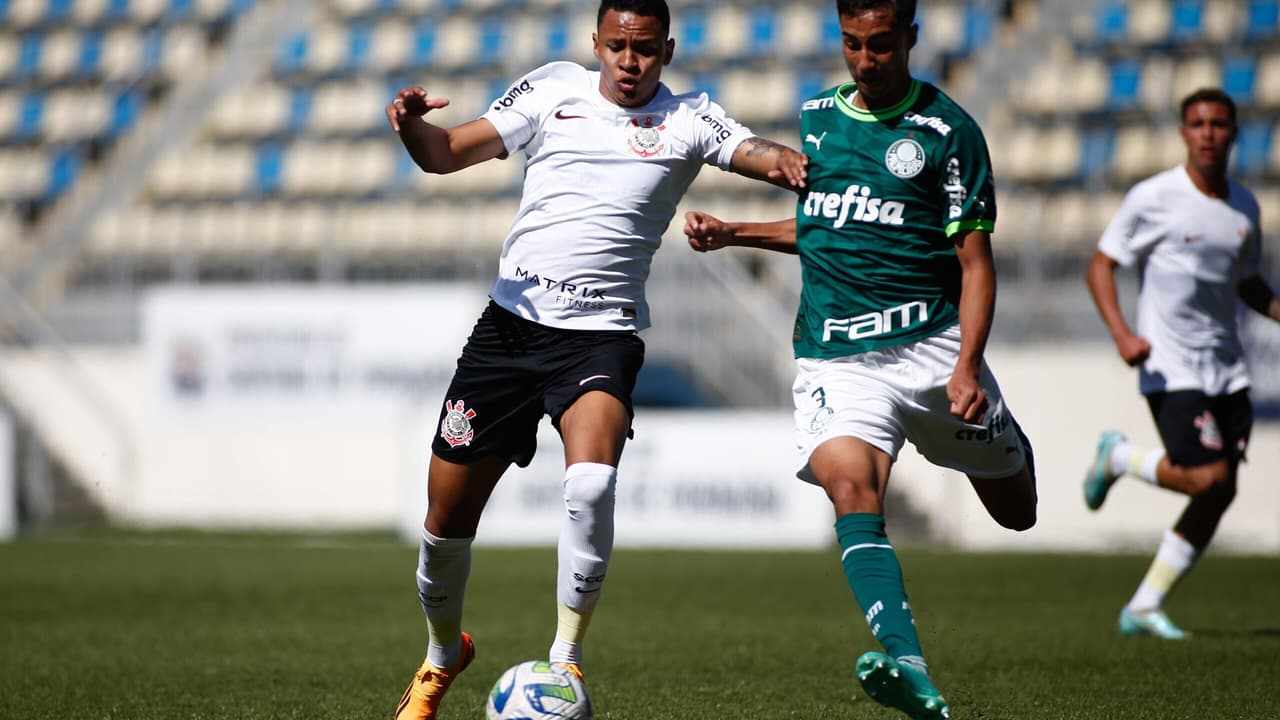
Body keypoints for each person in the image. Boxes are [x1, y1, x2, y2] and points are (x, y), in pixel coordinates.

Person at [383, 2, 807, 718]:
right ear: (596, 44)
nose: (630, 61)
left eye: (645, 48)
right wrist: (411, 126)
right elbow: (445, 153)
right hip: (509, 334)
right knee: (443, 526)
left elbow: (754, 152)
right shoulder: (554, 91)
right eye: (618, 45)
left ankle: (566, 664)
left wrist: (788, 161)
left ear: (667, 49)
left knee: (590, 486)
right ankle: (441, 653)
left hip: (601, 339)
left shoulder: (689, 119)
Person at [682, 1, 1035, 718]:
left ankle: (1004, 445)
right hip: (837, 355)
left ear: (909, 38)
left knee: (1017, 513)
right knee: (850, 489)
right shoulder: (817, 117)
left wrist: (967, 366)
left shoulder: (949, 132)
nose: (865, 59)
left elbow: (975, 263)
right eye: (852, 44)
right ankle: (911, 667)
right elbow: (825, 227)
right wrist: (737, 232)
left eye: (880, 45)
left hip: (934, 352)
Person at [1082, 87, 1278, 640]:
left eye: (1219, 124)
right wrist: (1122, 333)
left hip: (1228, 368)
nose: (1208, 133)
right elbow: (1100, 265)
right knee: (1205, 477)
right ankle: (1118, 457)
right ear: (1183, 133)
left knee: (1221, 491)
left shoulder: (1245, 207)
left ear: (1235, 133)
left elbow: (1250, 283)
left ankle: (1144, 605)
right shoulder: (1154, 197)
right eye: (1198, 123)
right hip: (1171, 364)